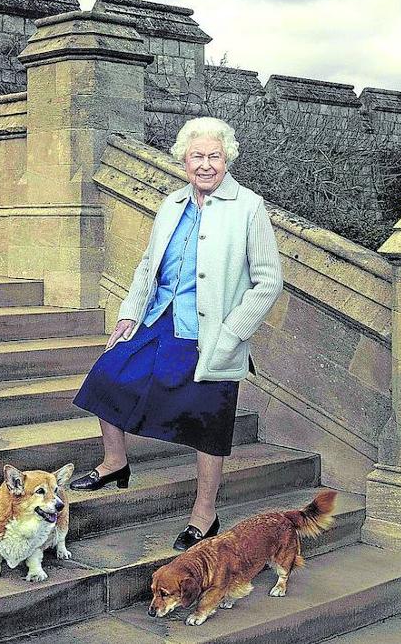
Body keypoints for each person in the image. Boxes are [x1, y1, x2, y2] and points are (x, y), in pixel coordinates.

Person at [69, 117, 283, 551]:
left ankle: (205, 513)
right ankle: (115, 462)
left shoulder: (248, 207)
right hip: (159, 319)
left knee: (208, 421)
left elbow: (268, 280)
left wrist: (232, 334)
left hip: (211, 333)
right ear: (184, 160)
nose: (205, 165)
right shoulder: (171, 204)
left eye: (214, 157)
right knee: (108, 376)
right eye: (197, 157)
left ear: (227, 159)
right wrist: (130, 314)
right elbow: (149, 265)